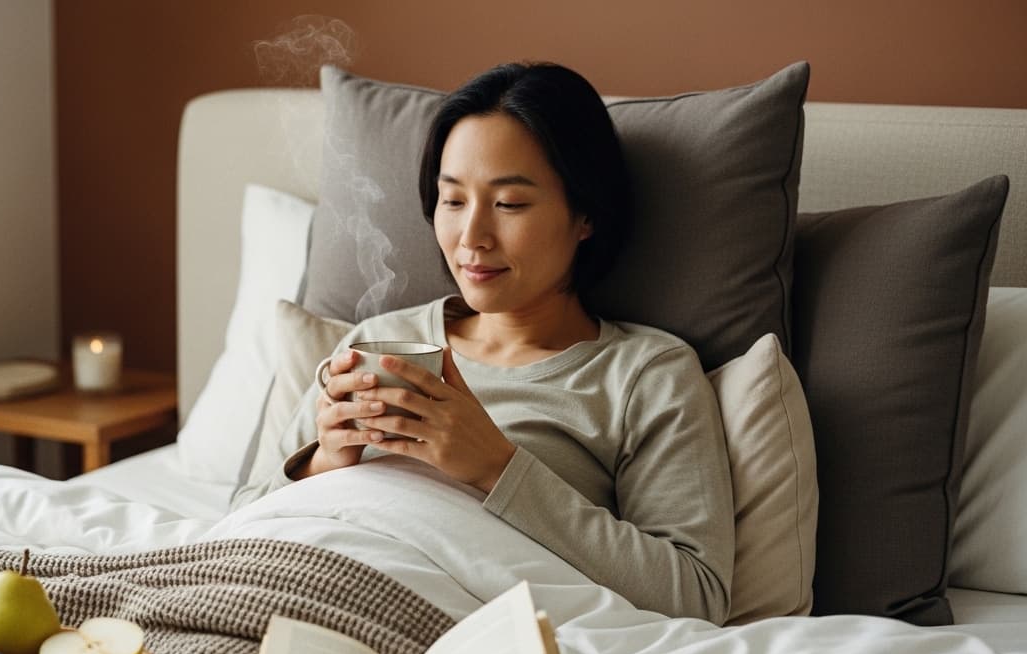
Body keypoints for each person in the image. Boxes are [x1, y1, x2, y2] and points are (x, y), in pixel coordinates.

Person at [236, 63, 734, 625]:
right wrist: (326, 461)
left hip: (448, 629)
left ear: (586, 214)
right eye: (452, 201)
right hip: (285, 594)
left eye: (509, 204)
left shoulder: (646, 375)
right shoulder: (372, 345)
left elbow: (695, 596)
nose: (471, 238)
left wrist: (497, 468)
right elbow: (236, 524)